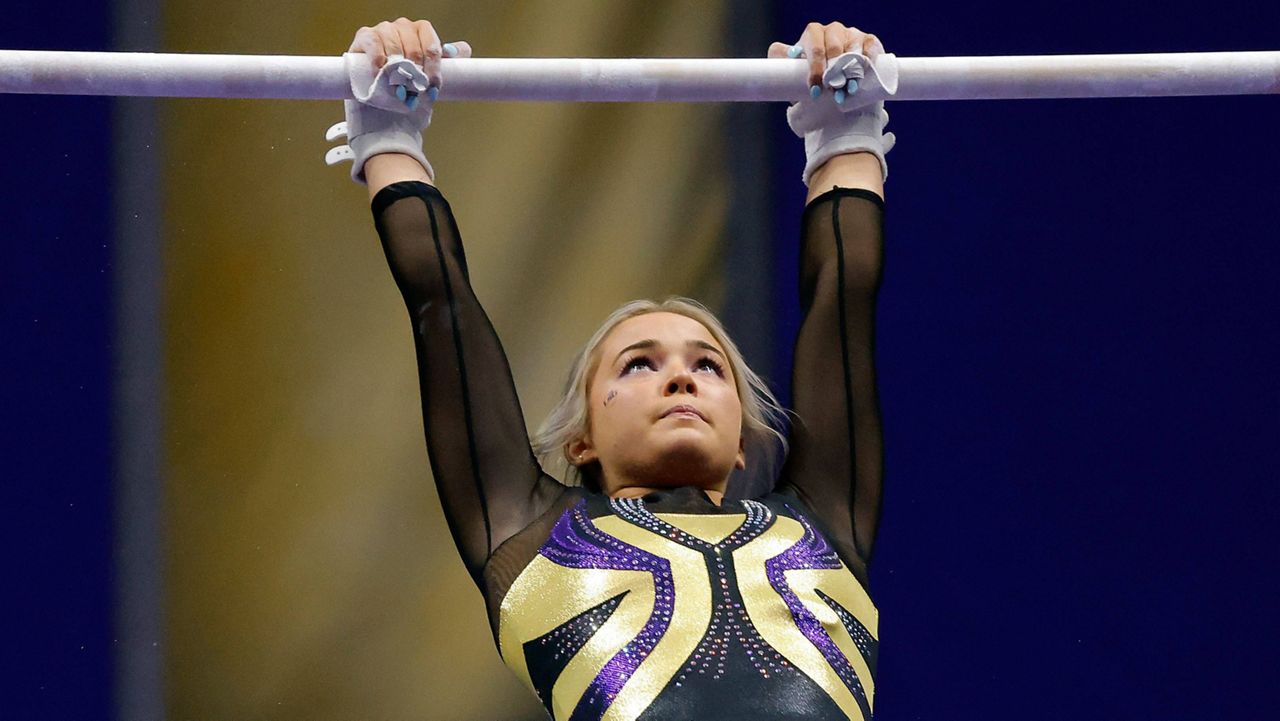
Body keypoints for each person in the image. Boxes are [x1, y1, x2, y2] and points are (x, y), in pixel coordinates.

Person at [325, 17, 893, 721]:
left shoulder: (820, 522)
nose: (680, 378)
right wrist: (389, 134)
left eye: (708, 365)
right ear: (582, 438)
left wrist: (845, 127)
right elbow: (442, 306)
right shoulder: (531, 531)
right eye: (639, 364)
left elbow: (845, 303)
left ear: (743, 435)